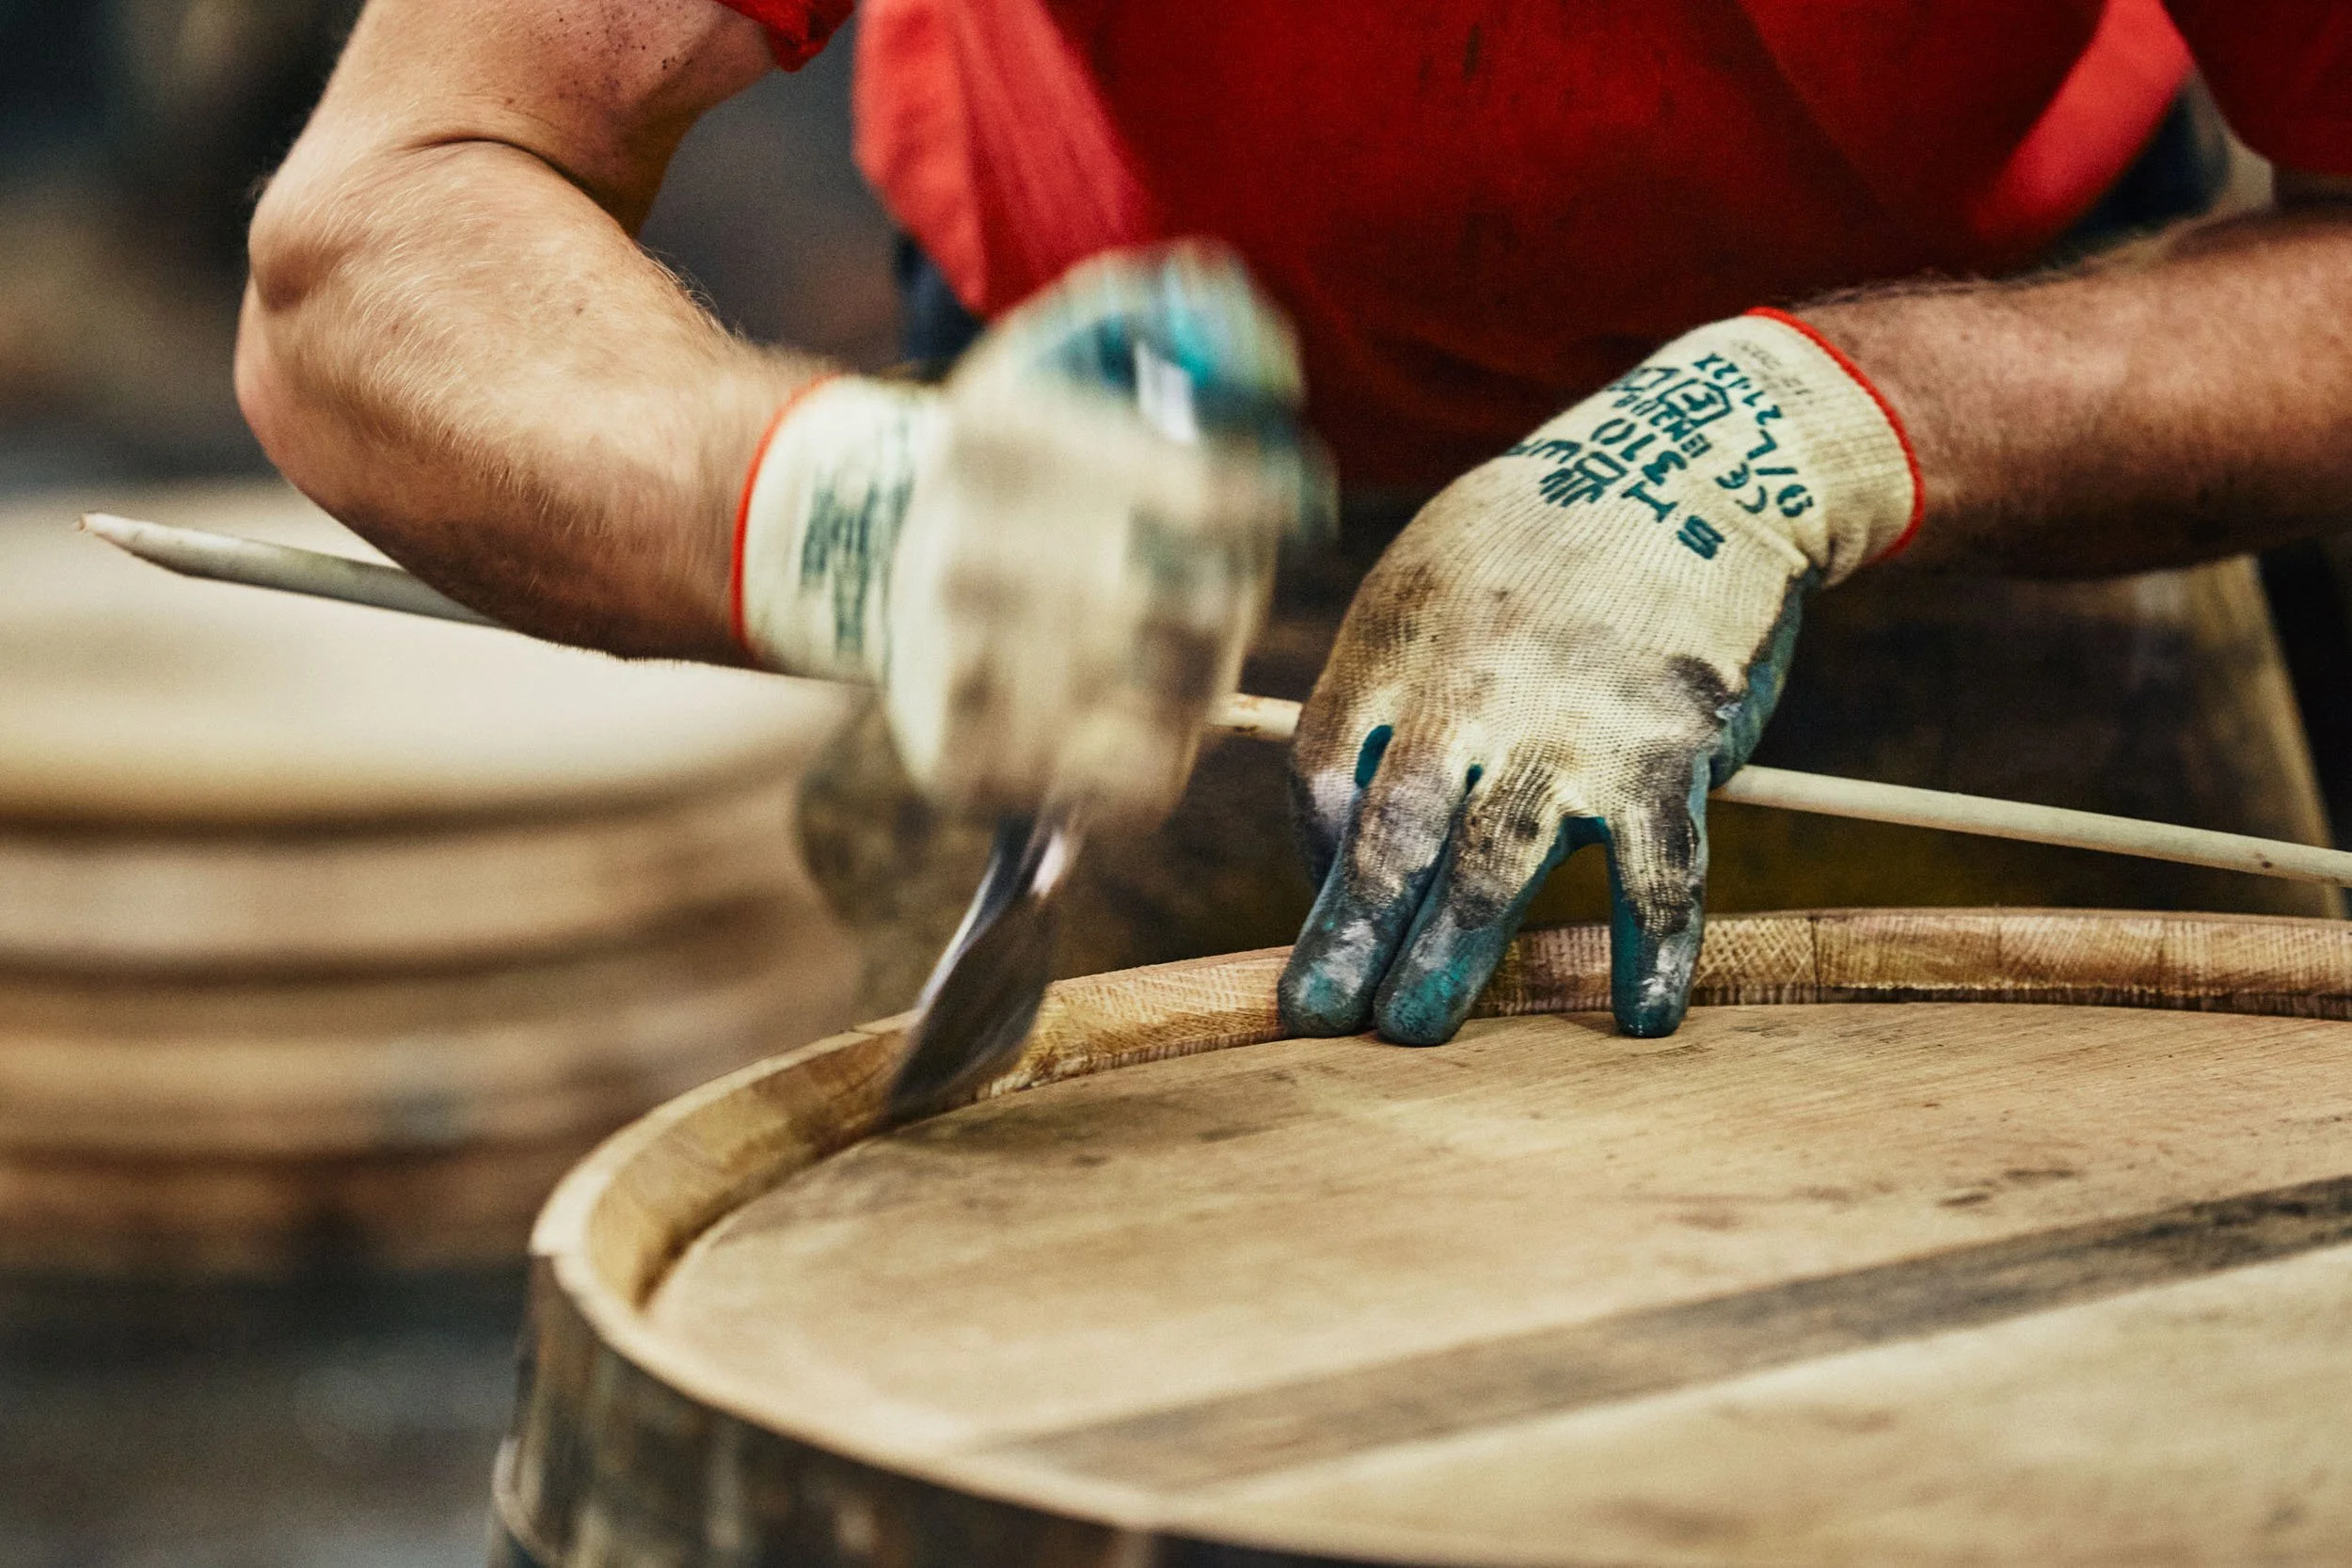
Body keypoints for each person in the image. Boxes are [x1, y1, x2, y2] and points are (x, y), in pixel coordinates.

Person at [238, 0, 2352, 1045]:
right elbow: (373, 238)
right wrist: (845, 512)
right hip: (1146, 490)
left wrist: (1825, 421)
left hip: (1985, 403)